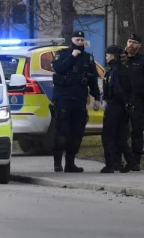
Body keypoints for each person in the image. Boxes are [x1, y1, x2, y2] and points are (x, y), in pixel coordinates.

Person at [50, 29, 101, 173]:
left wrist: (97, 97)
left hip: (79, 100)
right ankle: (57, 163)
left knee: (77, 133)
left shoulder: (88, 58)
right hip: (63, 100)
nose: (79, 42)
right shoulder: (62, 54)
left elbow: (92, 80)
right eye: (77, 40)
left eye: (81, 40)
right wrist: (72, 57)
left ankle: (70, 163)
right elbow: (59, 68)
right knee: (62, 132)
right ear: (71, 40)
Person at [121, 32, 144, 171]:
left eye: (134, 42)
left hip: (137, 100)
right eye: (129, 41)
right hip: (121, 100)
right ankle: (120, 159)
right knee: (119, 131)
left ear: (139, 46)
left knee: (137, 131)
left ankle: (135, 160)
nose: (131, 44)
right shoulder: (120, 58)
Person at [99, 45, 134, 173]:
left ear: (112, 55)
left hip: (114, 106)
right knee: (120, 136)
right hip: (123, 107)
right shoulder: (124, 69)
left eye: (107, 55)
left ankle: (110, 165)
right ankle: (130, 161)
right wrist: (126, 104)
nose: (106, 57)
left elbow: (116, 89)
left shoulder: (113, 70)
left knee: (107, 136)